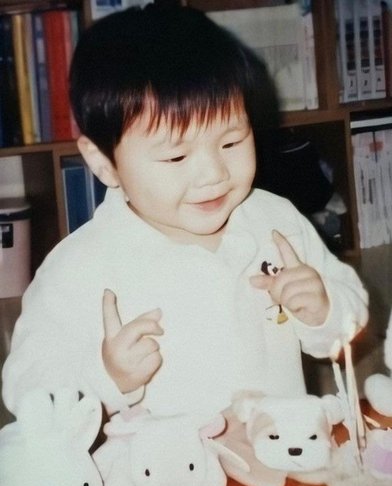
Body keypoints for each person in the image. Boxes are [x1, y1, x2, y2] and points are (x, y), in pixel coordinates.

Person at [2, 5, 368, 434]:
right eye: (176, 156)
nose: (213, 174)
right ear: (102, 162)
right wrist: (107, 376)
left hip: (279, 452)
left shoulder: (276, 221)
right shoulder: (80, 267)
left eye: (232, 142)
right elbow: (28, 392)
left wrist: (324, 309)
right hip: (160, 470)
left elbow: (347, 322)